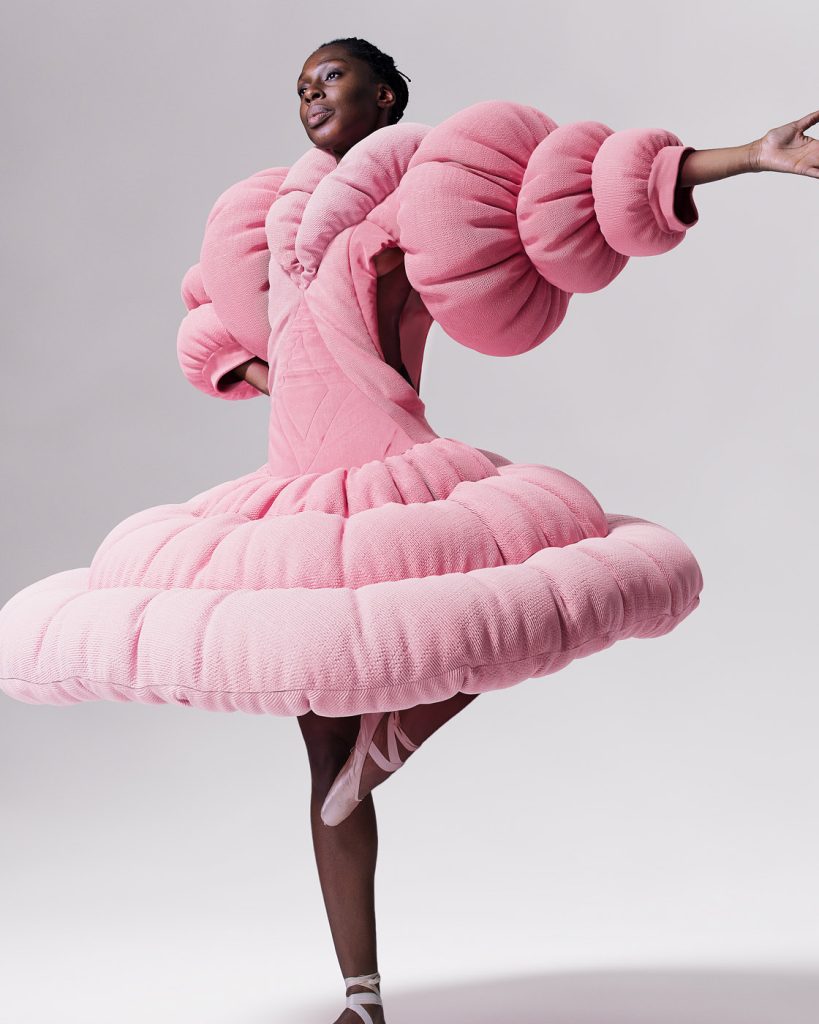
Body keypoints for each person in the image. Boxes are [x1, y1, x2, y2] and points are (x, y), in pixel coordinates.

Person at [216, 36, 818, 1024]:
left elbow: (564, 190)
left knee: (483, 618)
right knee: (324, 765)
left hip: (383, 471)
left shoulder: (408, 194)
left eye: (332, 77)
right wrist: (257, 370)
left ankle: (400, 729)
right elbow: (259, 333)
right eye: (300, 85)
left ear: (386, 95)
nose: (310, 94)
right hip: (296, 492)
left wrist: (744, 157)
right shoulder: (284, 222)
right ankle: (362, 999)